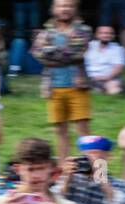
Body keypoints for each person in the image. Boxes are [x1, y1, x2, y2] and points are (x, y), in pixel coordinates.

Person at [32, 0, 92, 161]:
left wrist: (51, 53)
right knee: (60, 131)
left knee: (83, 130)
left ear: (75, 9)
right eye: (61, 5)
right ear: (53, 9)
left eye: (69, 6)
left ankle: (92, 170)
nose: (65, 9)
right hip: (53, 88)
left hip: (78, 87)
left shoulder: (84, 30)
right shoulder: (45, 32)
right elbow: (38, 54)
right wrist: (63, 53)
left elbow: (77, 53)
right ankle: (63, 170)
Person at [85, 23, 125, 95]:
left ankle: (103, 89)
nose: (106, 35)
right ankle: (97, 89)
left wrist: (106, 78)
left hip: (109, 79)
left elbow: (119, 68)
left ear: (113, 36)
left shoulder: (118, 49)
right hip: (88, 78)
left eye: (109, 33)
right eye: (102, 33)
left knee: (114, 91)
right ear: (96, 35)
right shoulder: (88, 46)